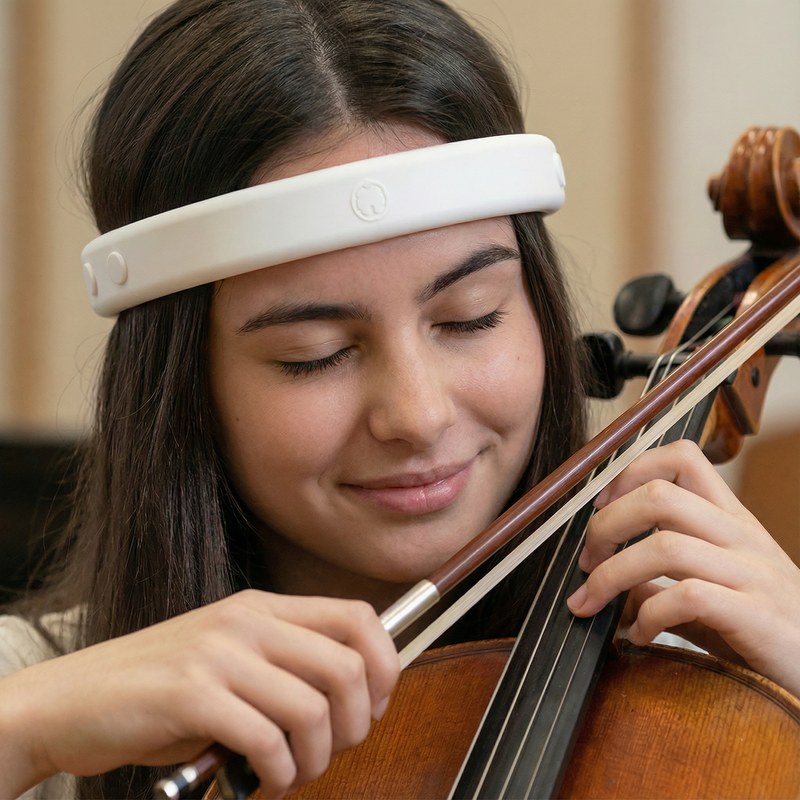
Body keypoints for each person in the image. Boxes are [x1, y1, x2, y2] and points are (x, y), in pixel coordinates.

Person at [1, 1, 799, 798]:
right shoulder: (49, 700)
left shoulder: (718, 694)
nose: (417, 417)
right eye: (314, 357)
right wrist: (29, 724)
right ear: (182, 387)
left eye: (470, 317)